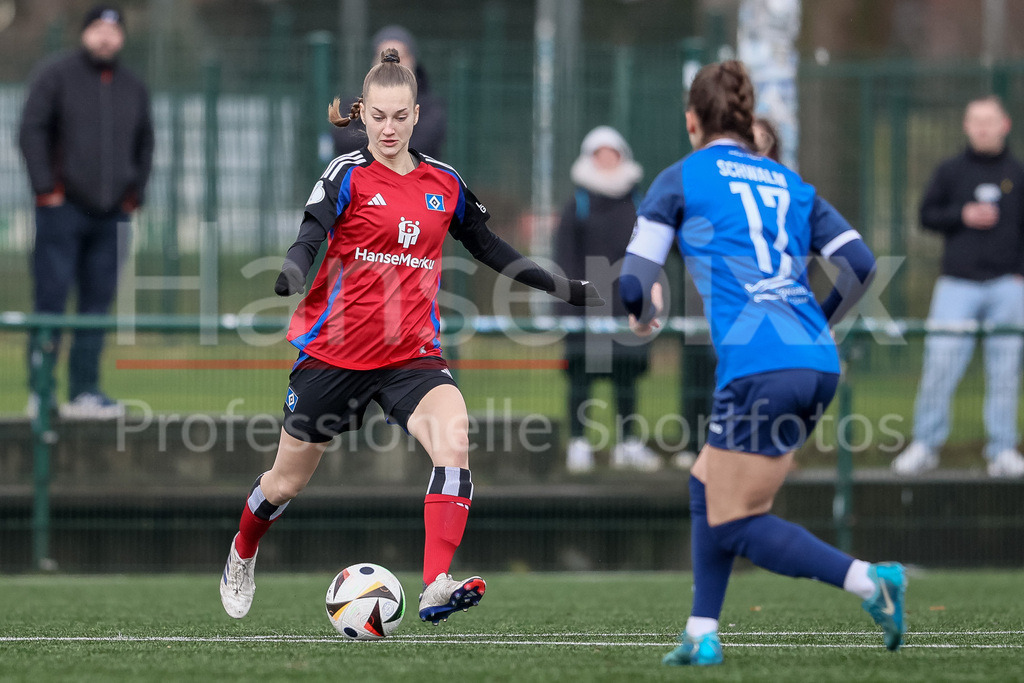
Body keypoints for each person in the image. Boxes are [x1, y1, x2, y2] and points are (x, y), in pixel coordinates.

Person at [219, 49, 602, 624]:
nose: (389, 128)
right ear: (363, 114)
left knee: (454, 438)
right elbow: (311, 232)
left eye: (400, 116)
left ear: (417, 114)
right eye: (378, 116)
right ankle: (243, 551)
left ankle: (435, 584)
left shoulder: (443, 183)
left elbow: (490, 248)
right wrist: (294, 270)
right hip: (335, 356)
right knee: (285, 482)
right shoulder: (346, 173)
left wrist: (562, 286)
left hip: (410, 355)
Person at [619, 60, 903, 666]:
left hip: (759, 368)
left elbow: (632, 284)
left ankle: (867, 580)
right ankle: (701, 632)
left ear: (693, 120)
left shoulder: (681, 177)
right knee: (706, 486)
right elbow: (861, 263)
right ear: (747, 121)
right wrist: (818, 321)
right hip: (811, 361)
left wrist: (644, 310)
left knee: (736, 522)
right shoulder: (791, 184)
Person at [18, 4, 154, 420]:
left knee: (96, 307)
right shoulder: (55, 75)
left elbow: (145, 144)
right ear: (84, 32)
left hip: (112, 215)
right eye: (97, 28)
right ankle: (41, 392)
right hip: (61, 211)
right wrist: (46, 189)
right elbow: (31, 130)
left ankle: (85, 392)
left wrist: (134, 195)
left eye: (113, 30)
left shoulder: (133, 85)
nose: (105, 37)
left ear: (122, 37)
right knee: (51, 301)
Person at [892, 96, 1024, 479]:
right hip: (957, 285)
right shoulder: (950, 171)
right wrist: (962, 215)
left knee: (1005, 370)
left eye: (990, 121)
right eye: (976, 121)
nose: (983, 128)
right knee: (941, 363)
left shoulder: (1017, 173)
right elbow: (926, 215)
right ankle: (926, 444)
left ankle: (1002, 450)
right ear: (966, 126)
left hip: (1008, 286)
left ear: (1005, 125)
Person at [553, 125, 660, 473]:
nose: (606, 160)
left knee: (626, 377)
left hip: (625, 305)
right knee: (582, 376)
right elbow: (565, 257)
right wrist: (569, 302)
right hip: (586, 308)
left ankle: (628, 443)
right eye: (599, 154)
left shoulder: (639, 202)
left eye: (612, 153)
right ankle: (579, 444)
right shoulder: (577, 205)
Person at [331, 25, 446, 159]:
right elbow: (342, 140)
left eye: (401, 118)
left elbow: (424, 143)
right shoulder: (352, 105)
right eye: (378, 118)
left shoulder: (433, 108)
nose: (388, 131)